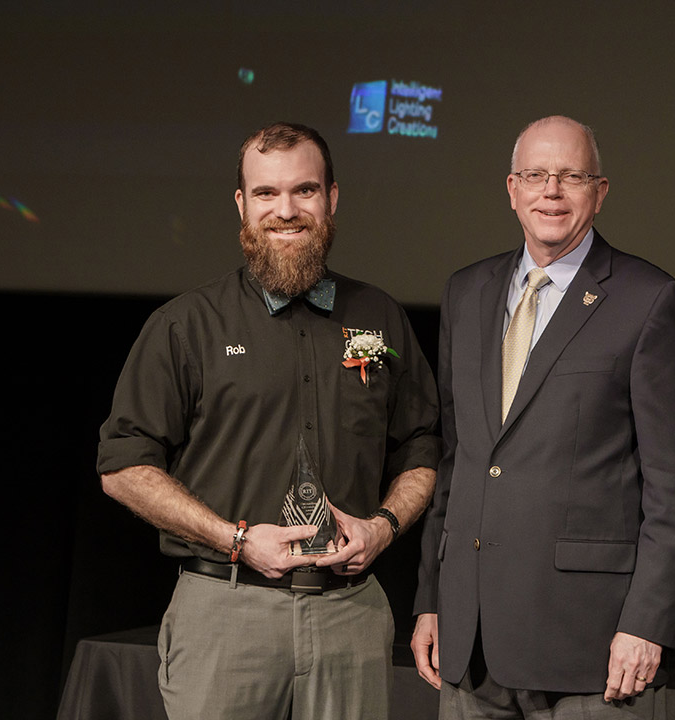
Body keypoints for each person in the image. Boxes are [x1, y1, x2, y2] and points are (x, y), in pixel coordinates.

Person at [97, 121, 439, 720]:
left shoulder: (378, 316)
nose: (286, 211)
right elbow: (123, 466)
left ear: (332, 199)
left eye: (304, 191)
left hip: (351, 616)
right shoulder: (186, 326)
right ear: (241, 205)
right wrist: (235, 539)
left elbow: (422, 445)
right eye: (266, 194)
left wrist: (384, 526)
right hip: (225, 612)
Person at [410, 115, 675, 719]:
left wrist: (647, 624)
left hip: (591, 652)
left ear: (599, 193)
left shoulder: (648, 300)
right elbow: (459, 460)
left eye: (571, 176)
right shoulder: (466, 292)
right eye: (537, 175)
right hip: (472, 645)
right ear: (512, 190)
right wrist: (432, 599)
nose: (552, 190)